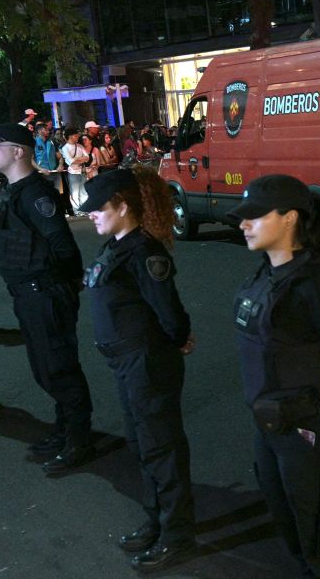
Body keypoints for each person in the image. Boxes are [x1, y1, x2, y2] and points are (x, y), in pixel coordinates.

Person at [229, 174, 320, 578]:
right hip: (271, 421)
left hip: (310, 427)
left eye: (255, 217)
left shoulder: (319, 282)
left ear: (290, 218)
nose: (243, 224)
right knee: (284, 513)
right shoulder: (264, 274)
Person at [81, 168, 198, 573]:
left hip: (146, 362)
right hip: (128, 362)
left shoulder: (145, 251)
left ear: (123, 205)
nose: (92, 214)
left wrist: (179, 338)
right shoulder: (117, 246)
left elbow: (169, 310)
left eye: (99, 207)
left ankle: (177, 534)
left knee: (160, 447)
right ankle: (157, 520)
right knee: (141, 444)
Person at [0, 123, 95, 474]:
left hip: (44, 293)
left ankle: (79, 440)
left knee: (58, 368)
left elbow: (62, 244)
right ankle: (65, 430)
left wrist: (68, 284)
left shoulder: (34, 194)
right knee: (46, 368)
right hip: (30, 294)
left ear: (18, 152)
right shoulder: (14, 190)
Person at [61, 128, 91, 211]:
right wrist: (81, 159)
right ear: (70, 136)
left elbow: (88, 158)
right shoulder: (65, 148)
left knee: (83, 191)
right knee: (74, 192)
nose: (78, 137)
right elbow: (71, 162)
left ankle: (84, 208)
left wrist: (77, 159)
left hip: (82, 171)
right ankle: (77, 210)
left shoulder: (80, 146)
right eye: (76, 135)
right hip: (73, 172)